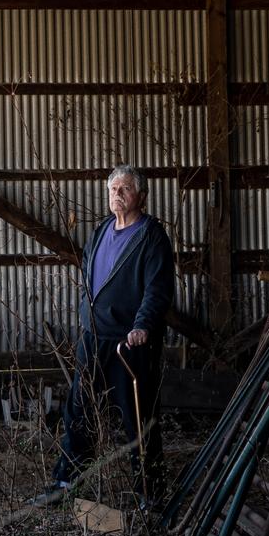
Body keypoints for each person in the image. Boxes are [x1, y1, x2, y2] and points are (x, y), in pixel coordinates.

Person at [41, 164, 175, 506]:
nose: (117, 194)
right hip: (93, 338)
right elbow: (89, 277)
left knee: (137, 417)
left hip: (129, 342)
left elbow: (157, 289)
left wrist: (142, 325)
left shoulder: (151, 236)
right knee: (79, 409)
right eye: (113, 189)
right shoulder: (101, 231)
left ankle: (151, 490)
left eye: (125, 189)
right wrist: (86, 318)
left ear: (141, 196)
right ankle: (67, 481)